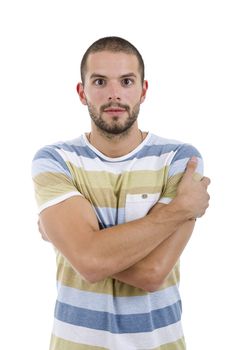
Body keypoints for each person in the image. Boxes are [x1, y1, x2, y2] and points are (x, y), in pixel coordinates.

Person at [32, 36, 210, 350]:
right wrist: (179, 210)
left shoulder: (180, 159)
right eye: (99, 81)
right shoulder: (55, 160)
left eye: (126, 81)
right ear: (82, 91)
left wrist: (77, 243)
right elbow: (88, 261)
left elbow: (152, 272)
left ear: (143, 90)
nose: (114, 94)